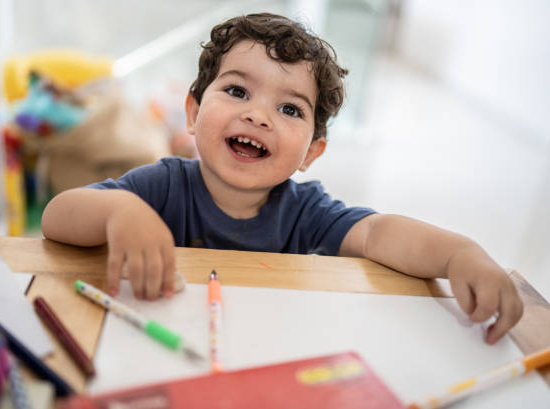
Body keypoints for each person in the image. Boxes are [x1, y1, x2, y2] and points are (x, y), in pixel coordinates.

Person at [41, 13, 523, 344]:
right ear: (192, 112)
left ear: (312, 152)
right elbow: (56, 218)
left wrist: (459, 253)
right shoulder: (162, 186)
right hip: (159, 343)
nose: (258, 115)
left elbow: (378, 234)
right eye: (236, 90)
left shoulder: (306, 211)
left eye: (290, 108)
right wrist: (118, 211)